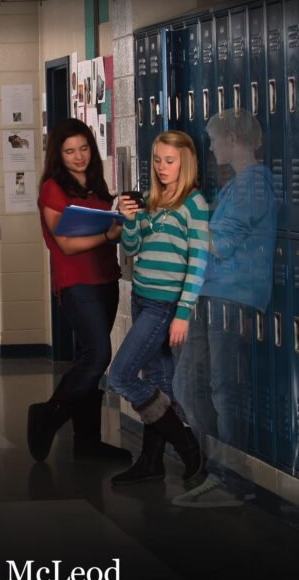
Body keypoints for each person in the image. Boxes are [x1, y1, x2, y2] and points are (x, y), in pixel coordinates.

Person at [172, 109, 278, 507]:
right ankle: (215, 465)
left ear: (234, 139)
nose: (211, 146)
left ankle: (232, 479)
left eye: (215, 140)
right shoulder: (237, 186)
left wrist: (181, 220)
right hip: (211, 294)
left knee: (222, 388)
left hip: (233, 299)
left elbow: (222, 243)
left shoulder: (254, 185)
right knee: (188, 384)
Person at [109, 130, 209, 486]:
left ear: (185, 163)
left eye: (170, 161)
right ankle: (151, 462)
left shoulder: (194, 204)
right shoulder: (153, 200)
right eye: (157, 160)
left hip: (164, 306)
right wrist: (129, 218)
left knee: (120, 376)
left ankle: (189, 449)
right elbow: (133, 248)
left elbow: (198, 263)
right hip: (140, 297)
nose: (162, 168)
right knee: (159, 384)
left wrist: (182, 313)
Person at [27, 118, 130, 463]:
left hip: (105, 278)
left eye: (84, 148)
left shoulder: (99, 187)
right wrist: (107, 235)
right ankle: (49, 415)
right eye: (70, 151)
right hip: (76, 281)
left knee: (91, 356)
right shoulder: (53, 189)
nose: (78, 156)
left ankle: (87, 442)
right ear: (58, 154)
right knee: (98, 354)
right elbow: (66, 245)